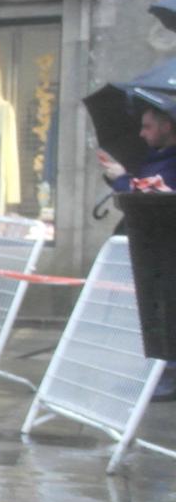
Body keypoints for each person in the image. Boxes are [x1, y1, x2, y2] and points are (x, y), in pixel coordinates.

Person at [99, 98, 176, 406]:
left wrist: (121, 177)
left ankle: (168, 374)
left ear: (166, 127)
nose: (142, 134)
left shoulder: (169, 162)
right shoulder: (156, 156)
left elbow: (154, 192)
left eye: (147, 126)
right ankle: (161, 370)